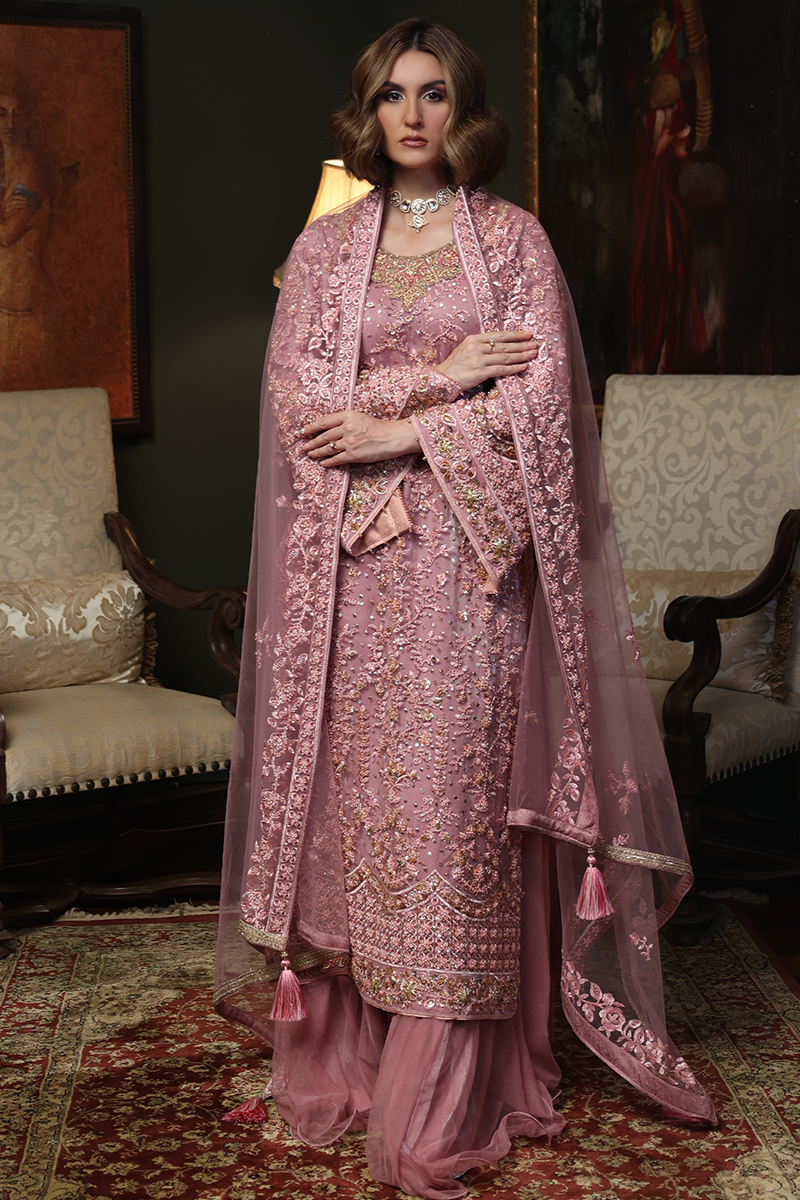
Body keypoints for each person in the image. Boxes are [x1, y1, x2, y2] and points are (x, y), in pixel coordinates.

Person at [215, 18, 716, 1198]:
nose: (411, 116)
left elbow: (542, 411)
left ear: (464, 109)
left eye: (433, 94)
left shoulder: (513, 241)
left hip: (477, 578)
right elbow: (302, 408)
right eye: (391, 95)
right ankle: (357, 1046)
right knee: (366, 815)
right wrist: (443, 382)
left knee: (452, 817)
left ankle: (452, 1078)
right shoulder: (327, 250)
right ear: (366, 110)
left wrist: (392, 425)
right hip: (358, 576)